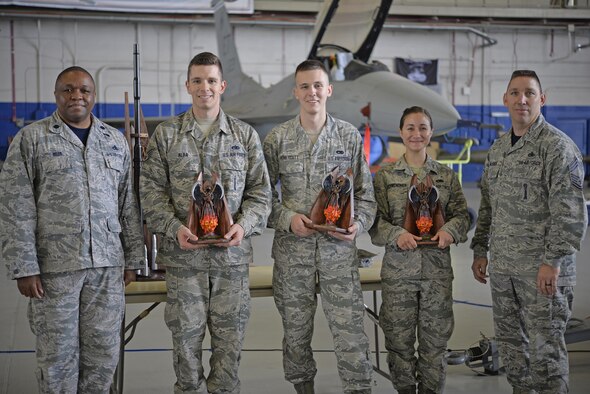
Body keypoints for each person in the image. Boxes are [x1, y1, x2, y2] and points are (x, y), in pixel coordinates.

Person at [0, 66, 144, 393]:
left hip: (106, 269)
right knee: (58, 358)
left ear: (93, 96)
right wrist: (24, 267)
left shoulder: (113, 141)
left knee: (103, 356)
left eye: (84, 91)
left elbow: (127, 203)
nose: (76, 96)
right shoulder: (32, 139)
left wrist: (133, 258)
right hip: (55, 269)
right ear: (56, 95)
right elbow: (15, 205)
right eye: (68, 90)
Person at [140, 52, 271, 394]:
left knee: (229, 352)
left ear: (222, 86)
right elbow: (150, 192)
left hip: (231, 262)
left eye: (211, 80)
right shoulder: (167, 136)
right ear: (187, 85)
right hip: (185, 262)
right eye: (197, 80)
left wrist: (244, 225)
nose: (204, 88)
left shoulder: (244, 136)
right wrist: (173, 228)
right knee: (186, 351)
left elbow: (261, 192)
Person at [263, 59, 376, 394]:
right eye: (304, 86)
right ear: (295, 92)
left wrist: (357, 224)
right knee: (296, 335)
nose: (311, 92)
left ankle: (359, 389)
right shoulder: (278, 139)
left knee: (351, 333)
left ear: (328, 90)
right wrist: (287, 219)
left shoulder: (348, 136)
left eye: (317, 86)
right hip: (292, 256)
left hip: (339, 257)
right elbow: (259, 198)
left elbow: (366, 197)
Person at [470, 70, 587, 394]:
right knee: (512, 350)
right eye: (515, 93)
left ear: (542, 99)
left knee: (545, 354)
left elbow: (571, 213)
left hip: (543, 271)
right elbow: (489, 204)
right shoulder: (498, 150)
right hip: (505, 270)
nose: (522, 99)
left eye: (530, 93)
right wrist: (481, 249)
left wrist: (553, 262)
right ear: (505, 99)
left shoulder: (557, 148)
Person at [369, 106, 469, 394]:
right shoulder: (385, 177)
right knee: (398, 342)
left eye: (423, 127)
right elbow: (375, 222)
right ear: (400, 132)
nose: (417, 134)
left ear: (431, 133)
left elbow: (463, 216)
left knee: (435, 343)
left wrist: (450, 231)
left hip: (436, 274)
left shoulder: (446, 177)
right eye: (410, 128)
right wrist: (397, 234)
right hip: (399, 274)